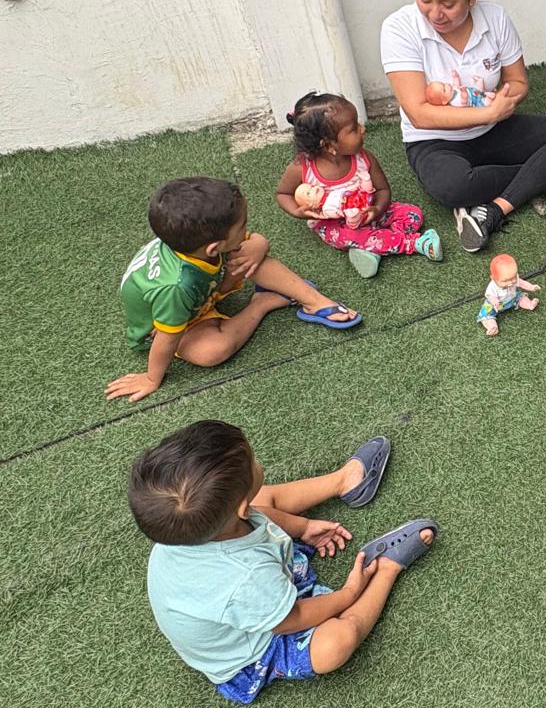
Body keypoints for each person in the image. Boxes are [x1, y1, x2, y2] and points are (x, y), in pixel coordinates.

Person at [130, 421, 437, 704]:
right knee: (336, 644)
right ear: (241, 511)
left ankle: (345, 481)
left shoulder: (182, 530)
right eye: (253, 461)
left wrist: (303, 527)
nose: (258, 463)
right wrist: (348, 593)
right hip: (258, 645)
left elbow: (256, 513)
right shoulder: (245, 577)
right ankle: (386, 568)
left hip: (254, 593)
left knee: (257, 500)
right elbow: (292, 618)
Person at [381, 0, 546, 253]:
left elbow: (517, 81)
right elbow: (418, 114)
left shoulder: (495, 18)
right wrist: (486, 113)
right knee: (454, 187)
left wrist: (502, 102)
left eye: (448, 4)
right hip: (434, 141)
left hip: (493, 129)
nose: (435, 14)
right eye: (425, 0)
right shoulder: (399, 28)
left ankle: (496, 208)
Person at [110, 178, 360, 403]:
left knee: (250, 255)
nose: (246, 229)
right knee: (211, 352)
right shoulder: (175, 287)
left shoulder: (192, 239)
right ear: (214, 248)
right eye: (242, 226)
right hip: (178, 325)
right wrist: (152, 378)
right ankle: (261, 303)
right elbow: (166, 338)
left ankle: (314, 301)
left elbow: (256, 240)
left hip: (203, 292)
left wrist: (259, 246)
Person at [275, 92, 442, 278]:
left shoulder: (364, 158)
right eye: (353, 128)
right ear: (329, 145)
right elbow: (283, 193)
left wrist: (377, 209)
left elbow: (383, 190)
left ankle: (375, 246)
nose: (362, 129)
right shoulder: (301, 167)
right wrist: (298, 211)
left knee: (413, 214)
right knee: (348, 237)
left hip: (368, 214)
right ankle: (415, 243)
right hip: (335, 224)